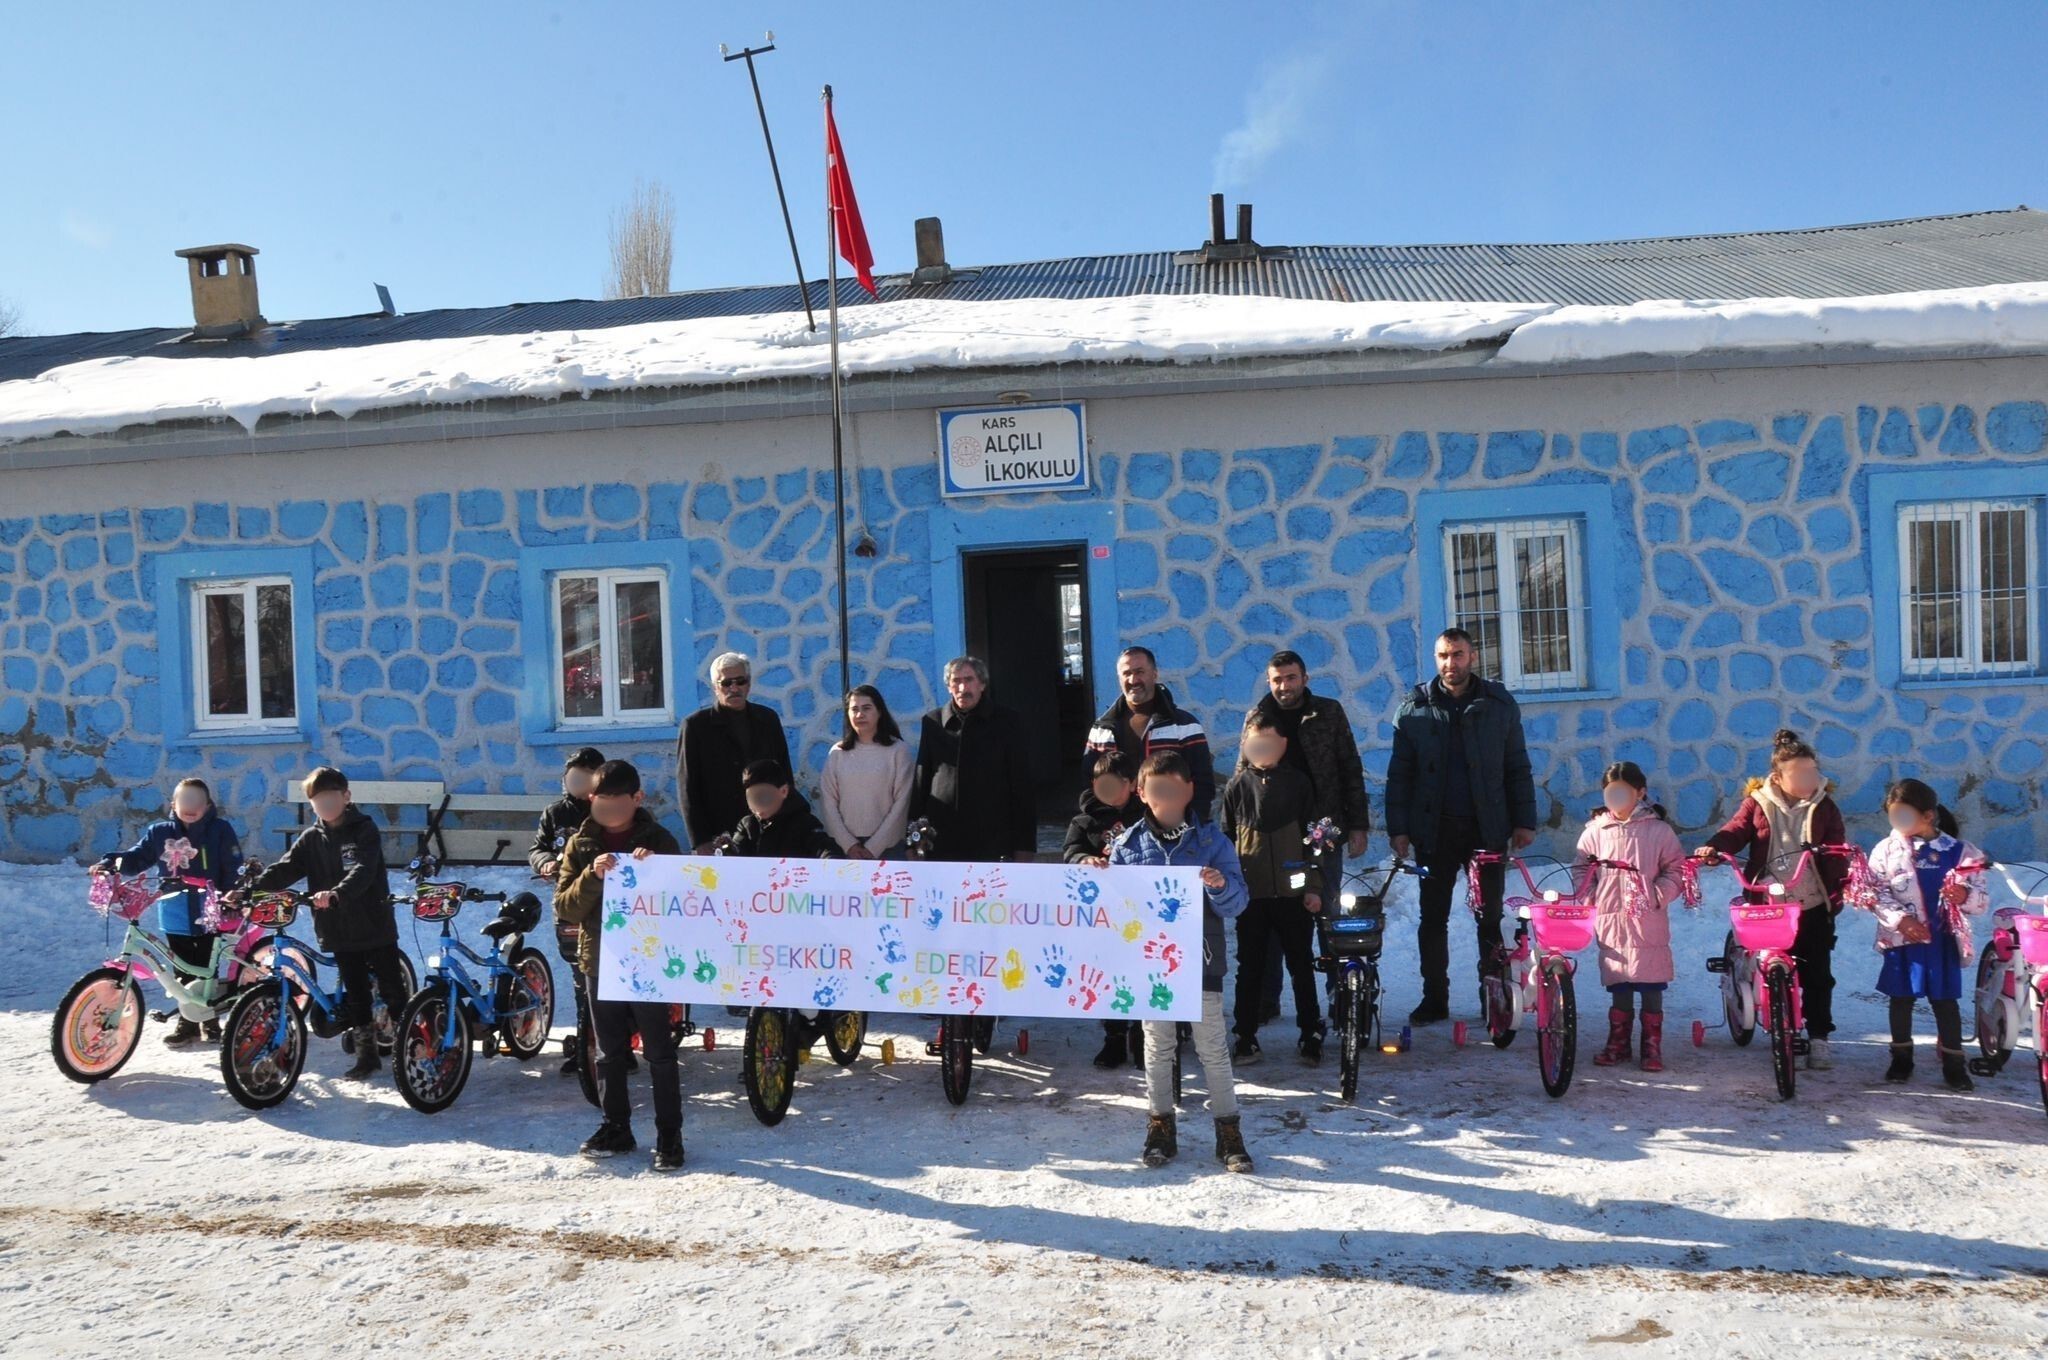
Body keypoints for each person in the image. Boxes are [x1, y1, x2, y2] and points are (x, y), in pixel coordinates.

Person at [1383, 628, 1538, 1025]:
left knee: (1488, 918)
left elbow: (1517, 766)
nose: (1450, 663)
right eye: (1443, 655)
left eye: (1457, 655)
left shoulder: (1498, 705)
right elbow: (1400, 776)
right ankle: (1434, 998)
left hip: (1486, 829)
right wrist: (1399, 829)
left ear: (1473, 657)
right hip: (1433, 831)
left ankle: (1494, 997)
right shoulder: (1414, 709)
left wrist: (1524, 821)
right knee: (1432, 918)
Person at [1110, 751, 1252, 1173]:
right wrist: (1100, 878)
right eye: (1157, 791)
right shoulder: (1128, 846)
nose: (1166, 799)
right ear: (1141, 793)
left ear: (1189, 790)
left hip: (1200, 962)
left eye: (1174, 790)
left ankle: (1228, 1131)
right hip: (1150, 965)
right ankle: (1160, 1126)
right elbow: (1112, 909)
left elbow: (1238, 903)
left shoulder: (1212, 843)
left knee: (1212, 1049)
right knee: (1157, 1048)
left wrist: (1219, 886)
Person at [554, 759, 686, 1172]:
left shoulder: (660, 840)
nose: (609, 809)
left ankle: (669, 1135)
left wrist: (655, 871)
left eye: (618, 800)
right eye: (602, 800)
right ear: (591, 798)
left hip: (649, 962)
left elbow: (685, 898)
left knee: (659, 1052)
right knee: (609, 1052)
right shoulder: (580, 845)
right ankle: (616, 1126)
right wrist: (592, 877)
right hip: (601, 961)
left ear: (637, 798)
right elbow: (565, 907)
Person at [1696, 728, 1849, 1071]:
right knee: (1766, 962)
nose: (1809, 779)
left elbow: (1836, 849)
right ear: (1778, 777)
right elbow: (1736, 829)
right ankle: (1760, 1001)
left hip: (1810, 900)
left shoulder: (1825, 806)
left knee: (1817, 973)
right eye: (1799, 773)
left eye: (1812, 771)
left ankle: (1819, 1036)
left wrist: (1838, 883)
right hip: (1767, 902)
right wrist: (1715, 847)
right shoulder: (1758, 802)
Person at [1243, 650, 1371, 1023]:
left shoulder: (1328, 713)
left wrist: (1358, 824)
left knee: (1326, 913)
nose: (1284, 686)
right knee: (1270, 920)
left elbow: (1350, 768)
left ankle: (1339, 995)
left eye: (1291, 678)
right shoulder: (1257, 717)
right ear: (1269, 682)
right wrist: (1240, 834)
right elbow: (1243, 776)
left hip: (1322, 828)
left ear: (1305, 678)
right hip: (1271, 835)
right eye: (1277, 679)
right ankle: (1267, 1000)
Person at [253, 768, 406, 1081]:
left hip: (373, 924)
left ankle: (408, 1045)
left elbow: (364, 869)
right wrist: (251, 889)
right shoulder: (311, 838)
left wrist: (338, 893)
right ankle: (367, 1056)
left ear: (346, 797)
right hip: (337, 928)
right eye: (318, 801)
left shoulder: (364, 829)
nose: (325, 805)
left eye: (330, 798)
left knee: (392, 988)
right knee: (356, 991)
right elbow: (286, 869)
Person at [1867, 778, 1989, 1091]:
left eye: (1904, 815)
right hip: (1903, 940)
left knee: (1945, 1002)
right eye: (1893, 816)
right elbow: (1874, 893)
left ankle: (1954, 1064)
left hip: (1942, 940)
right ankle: (1901, 1059)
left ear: (1928, 815)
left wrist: (1964, 895)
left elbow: (1980, 898)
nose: (1897, 822)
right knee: (1901, 999)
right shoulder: (1885, 851)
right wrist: (1901, 921)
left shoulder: (1960, 853)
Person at [102, 777, 243, 1046]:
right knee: (181, 966)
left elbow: (232, 864)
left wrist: (231, 895)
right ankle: (187, 1023)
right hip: (174, 909)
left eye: (197, 801)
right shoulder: (159, 833)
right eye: (184, 801)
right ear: (173, 804)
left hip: (210, 909)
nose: (191, 807)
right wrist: (111, 863)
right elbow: (136, 857)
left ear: (208, 805)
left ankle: (209, 1020)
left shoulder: (220, 830)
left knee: (206, 966)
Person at [1218, 710, 1325, 1065]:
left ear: (1283, 745)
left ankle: (1311, 1031)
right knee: (1250, 967)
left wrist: (1313, 887)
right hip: (1252, 897)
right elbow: (1225, 844)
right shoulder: (1236, 787)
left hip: (1293, 895)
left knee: (1301, 964)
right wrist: (1231, 890)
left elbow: (1316, 839)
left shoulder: (1299, 784)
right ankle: (1245, 1035)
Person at [1578, 762, 1687, 1072]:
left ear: (1640, 793)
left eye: (1623, 792)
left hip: (1647, 919)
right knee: (1619, 981)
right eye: (1610, 792)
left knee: (1651, 981)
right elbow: (1581, 868)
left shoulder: (1658, 831)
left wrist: (1657, 895)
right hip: (1610, 918)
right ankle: (1618, 1042)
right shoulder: (1595, 832)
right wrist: (1590, 897)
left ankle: (1652, 1045)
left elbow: (1676, 869)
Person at [1063, 750, 1148, 1069]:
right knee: (1111, 971)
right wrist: (1084, 859)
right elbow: (1070, 850)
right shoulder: (1085, 820)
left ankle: (1143, 1034)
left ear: (1131, 783)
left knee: (1142, 969)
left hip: (1143, 909)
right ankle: (1114, 1035)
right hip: (1103, 913)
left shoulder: (1149, 815)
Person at [908, 656, 1037, 864]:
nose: (962, 688)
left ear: (982, 684)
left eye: (968, 680)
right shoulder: (933, 722)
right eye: (956, 681)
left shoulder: (1007, 722)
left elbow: (1021, 785)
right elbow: (921, 782)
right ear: (948, 687)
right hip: (942, 838)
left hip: (992, 838)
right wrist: (913, 841)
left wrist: (1025, 846)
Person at [529, 746, 604, 1076]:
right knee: (580, 976)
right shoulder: (555, 813)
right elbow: (538, 847)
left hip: (607, 904)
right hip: (569, 904)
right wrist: (545, 861)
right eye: (573, 777)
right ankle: (588, 1046)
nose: (578, 783)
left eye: (585, 777)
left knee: (610, 976)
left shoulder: (608, 810)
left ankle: (617, 1044)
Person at [676, 651, 793, 853]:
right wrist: (700, 841)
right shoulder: (695, 726)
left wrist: (790, 824)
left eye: (740, 681)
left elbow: (785, 775)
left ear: (749, 684)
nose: (734, 688)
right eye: (726, 683)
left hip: (767, 829)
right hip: (719, 833)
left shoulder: (768, 719)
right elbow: (688, 787)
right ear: (715, 687)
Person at [1085, 646, 1215, 820]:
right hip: (1117, 829)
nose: (1133, 680)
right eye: (1126, 673)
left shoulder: (1185, 726)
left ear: (1154, 674)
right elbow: (1088, 785)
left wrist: (1186, 825)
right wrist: (1108, 823)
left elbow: (1202, 784)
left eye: (1140, 672)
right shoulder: (1102, 729)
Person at [819, 685, 914, 859]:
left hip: (888, 848)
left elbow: (902, 802)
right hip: (845, 848)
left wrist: (874, 846)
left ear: (879, 712)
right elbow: (828, 801)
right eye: (854, 709)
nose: (860, 715)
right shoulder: (837, 753)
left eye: (866, 708)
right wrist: (849, 844)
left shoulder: (898, 751)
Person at [726, 760, 839, 859]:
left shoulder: (805, 824)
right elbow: (735, 854)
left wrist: (830, 862)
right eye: (752, 798)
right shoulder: (748, 825)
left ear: (783, 791)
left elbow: (824, 848)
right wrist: (726, 850)